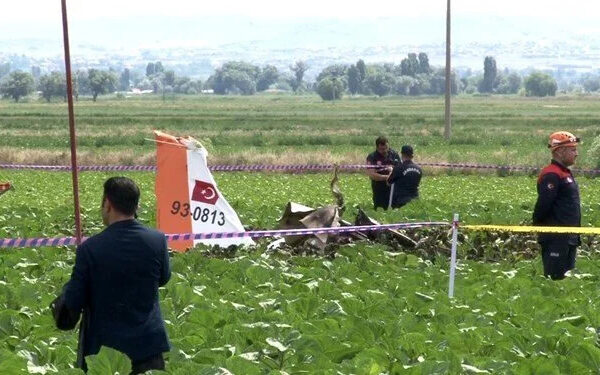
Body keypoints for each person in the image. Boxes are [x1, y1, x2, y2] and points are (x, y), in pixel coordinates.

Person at [53, 177, 171, 373]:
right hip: (147, 348)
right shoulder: (157, 240)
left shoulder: (90, 249)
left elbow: (74, 299)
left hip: (102, 353)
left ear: (107, 204)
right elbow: (163, 278)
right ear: (136, 205)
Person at [533, 131, 581, 280]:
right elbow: (543, 205)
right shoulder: (551, 174)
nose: (576, 153)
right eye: (572, 149)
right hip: (556, 238)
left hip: (569, 237)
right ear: (560, 151)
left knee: (566, 282)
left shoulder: (565, 173)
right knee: (555, 280)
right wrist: (541, 227)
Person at [366, 136, 401, 210]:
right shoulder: (372, 157)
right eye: (382, 149)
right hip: (379, 187)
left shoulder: (394, 154)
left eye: (386, 148)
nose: (385, 150)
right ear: (377, 147)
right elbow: (372, 175)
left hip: (393, 187)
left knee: (394, 208)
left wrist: (393, 173)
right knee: (380, 209)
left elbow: (400, 169)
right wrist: (387, 177)